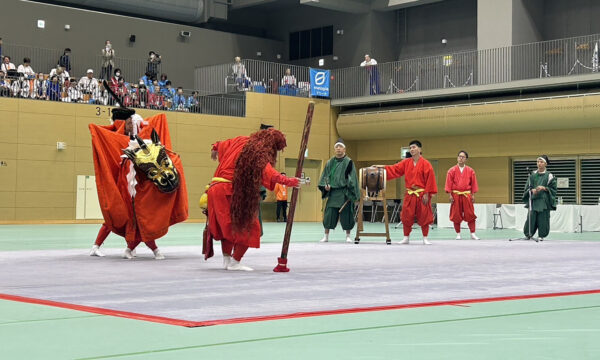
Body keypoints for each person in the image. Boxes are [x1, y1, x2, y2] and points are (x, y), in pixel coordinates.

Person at [89, 105, 188, 259]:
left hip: (136, 183)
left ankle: (128, 248)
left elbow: (153, 124)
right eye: (128, 123)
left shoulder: (136, 135)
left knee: (133, 218)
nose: (131, 125)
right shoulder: (116, 136)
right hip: (125, 183)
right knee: (127, 216)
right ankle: (142, 249)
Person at [205, 129, 305, 271]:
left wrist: (215, 148)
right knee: (250, 227)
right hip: (230, 190)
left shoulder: (241, 139)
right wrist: (289, 181)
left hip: (214, 188)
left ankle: (227, 260)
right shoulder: (258, 152)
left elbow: (221, 144)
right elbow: (269, 173)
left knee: (227, 227)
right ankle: (235, 261)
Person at [384, 140, 437, 245]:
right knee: (406, 215)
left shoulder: (426, 164)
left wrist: (427, 193)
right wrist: (381, 169)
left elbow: (430, 179)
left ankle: (425, 237)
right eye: (410, 148)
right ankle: (406, 237)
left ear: (420, 149)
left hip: (422, 194)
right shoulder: (406, 162)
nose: (412, 149)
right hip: (410, 193)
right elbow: (394, 169)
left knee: (424, 216)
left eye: (414, 147)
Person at [318, 138, 360, 243]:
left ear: (344, 149)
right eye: (336, 147)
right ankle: (326, 236)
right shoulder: (330, 162)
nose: (338, 149)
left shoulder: (349, 162)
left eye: (340, 146)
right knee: (329, 214)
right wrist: (325, 186)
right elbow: (325, 176)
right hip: (332, 193)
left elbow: (353, 178)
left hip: (344, 192)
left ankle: (348, 236)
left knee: (347, 214)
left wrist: (352, 192)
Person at [445, 150, 480, 240]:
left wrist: (473, 195)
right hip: (456, 195)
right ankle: (458, 233)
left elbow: (473, 184)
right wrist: (450, 195)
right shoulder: (451, 170)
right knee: (456, 214)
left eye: (463, 157)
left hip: (466, 194)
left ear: (466, 159)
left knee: (470, 214)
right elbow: (448, 183)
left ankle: (473, 233)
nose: (460, 158)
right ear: (457, 158)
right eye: (459, 156)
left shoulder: (470, 170)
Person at [522, 155, 557, 241]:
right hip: (534, 200)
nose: (539, 164)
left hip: (543, 201)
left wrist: (544, 188)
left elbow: (553, 189)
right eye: (538, 162)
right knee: (531, 218)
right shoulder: (532, 174)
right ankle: (528, 234)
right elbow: (527, 187)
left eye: (541, 162)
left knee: (543, 219)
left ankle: (541, 235)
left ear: (545, 164)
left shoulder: (550, 176)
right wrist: (531, 190)